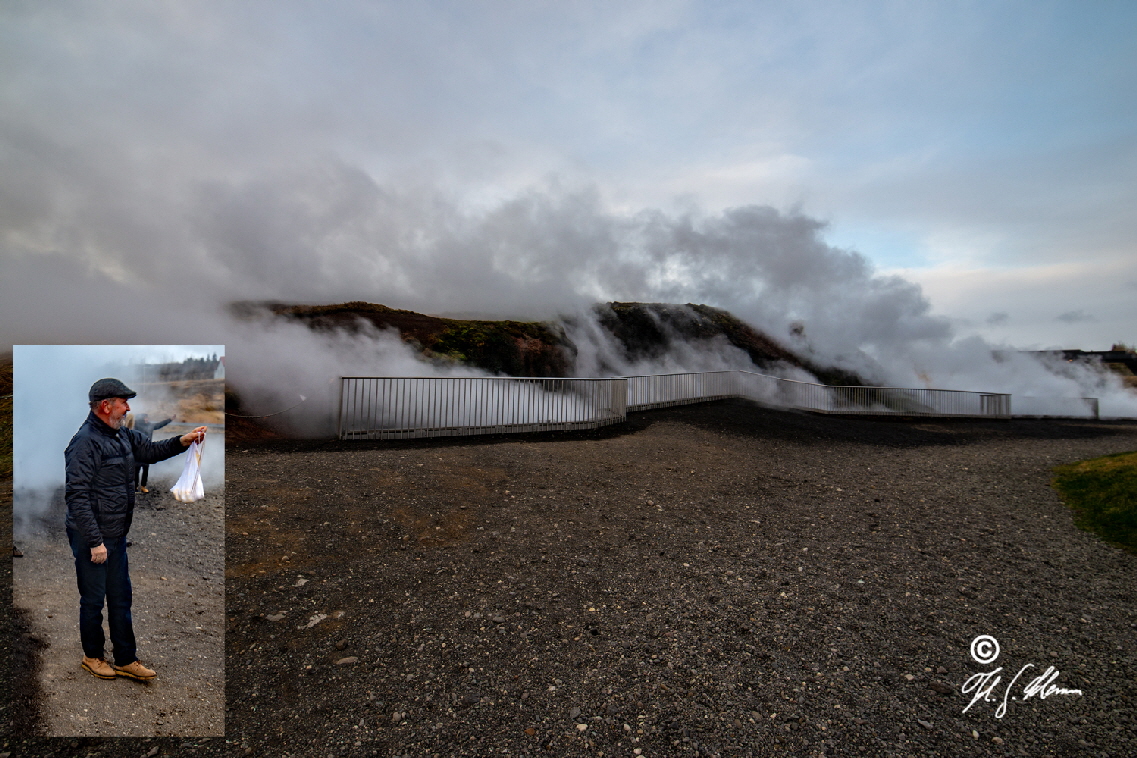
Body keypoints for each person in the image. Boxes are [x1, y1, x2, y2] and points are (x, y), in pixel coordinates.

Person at [65, 378, 207, 681]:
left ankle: (126, 659)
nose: (128, 407)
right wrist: (94, 542)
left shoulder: (121, 435)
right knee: (93, 600)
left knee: (120, 597)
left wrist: (184, 440)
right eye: (123, 402)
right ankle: (92, 656)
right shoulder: (85, 442)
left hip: (116, 534)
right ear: (106, 406)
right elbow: (77, 495)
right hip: (92, 537)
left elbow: (151, 452)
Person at [132, 413, 173, 493]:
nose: (147, 419)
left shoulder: (150, 426)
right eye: (145, 418)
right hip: (137, 451)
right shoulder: (136, 427)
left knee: (145, 469)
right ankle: (135, 486)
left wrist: (169, 420)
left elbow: (159, 425)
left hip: (147, 449)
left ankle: (143, 486)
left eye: (147, 418)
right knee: (136, 470)